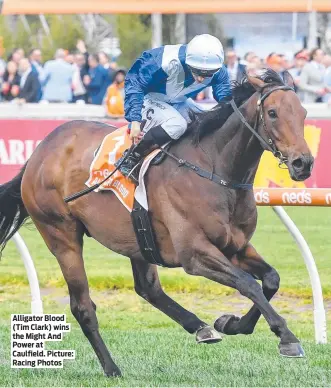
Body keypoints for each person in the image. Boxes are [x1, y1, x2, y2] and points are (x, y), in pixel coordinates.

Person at [116, 34, 231, 180]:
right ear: (189, 61)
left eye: (208, 74)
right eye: (197, 71)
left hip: (178, 101)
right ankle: (131, 157)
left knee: (206, 121)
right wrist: (135, 120)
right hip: (149, 98)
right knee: (177, 124)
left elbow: (226, 99)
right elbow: (134, 82)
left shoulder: (219, 70)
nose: (202, 78)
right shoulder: (162, 59)